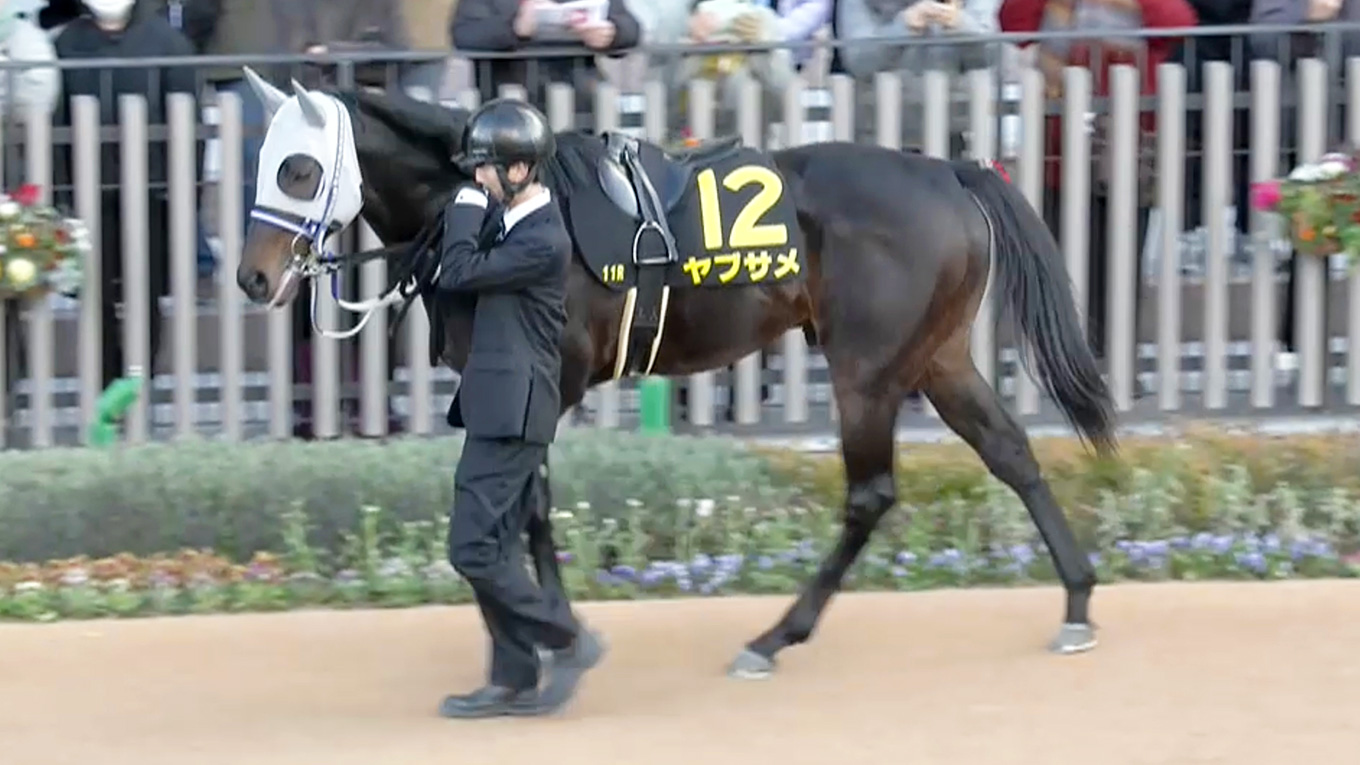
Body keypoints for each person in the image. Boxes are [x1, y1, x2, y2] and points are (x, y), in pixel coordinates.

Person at [437, 98, 604, 719]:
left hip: (516, 413)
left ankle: (568, 638)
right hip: (500, 409)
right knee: (497, 548)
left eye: (485, 167)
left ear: (520, 170)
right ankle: (513, 679)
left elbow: (458, 271)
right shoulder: (515, 227)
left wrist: (462, 210)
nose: (477, 178)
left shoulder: (542, 238)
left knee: (471, 550)